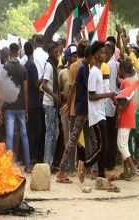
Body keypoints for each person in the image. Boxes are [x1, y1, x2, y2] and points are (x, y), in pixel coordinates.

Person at [78, 41, 116, 182]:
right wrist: (108, 95)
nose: (104, 55)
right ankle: (85, 164)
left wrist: (112, 97)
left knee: (102, 145)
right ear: (94, 55)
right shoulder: (93, 72)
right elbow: (91, 95)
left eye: (104, 52)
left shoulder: (99, 71)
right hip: (96, 114)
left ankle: (100, 174)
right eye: (101, 52)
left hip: (101, 112)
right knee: (102, 147)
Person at [56, 46, 92, 183]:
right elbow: (78, 88)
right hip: (81, 110)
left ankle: (90, 169)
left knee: (90, 140)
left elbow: (72, 88)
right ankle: (64, 170)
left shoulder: (82, 67)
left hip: (80, 109)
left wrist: (67, 104)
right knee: (74, 141)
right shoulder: (82, 68)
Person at [2, 43, 31, 173]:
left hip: (9, 106)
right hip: (20, 107)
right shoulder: (23, 69)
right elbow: (25, 92)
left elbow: (3, 89)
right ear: (18, 52)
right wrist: (26, 109)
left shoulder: (6, 68)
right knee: (24, 135)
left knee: (9, 135)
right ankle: (28, 165)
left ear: (10, 52)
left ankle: (10, 165)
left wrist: (1, 107)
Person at [116, 59, 138, 179]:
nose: (118, 71)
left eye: (119, 69)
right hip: (128, 116)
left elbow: (125, 100)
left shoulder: (125, 82)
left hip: (125, 117)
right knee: (124, 144)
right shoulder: (128, 81)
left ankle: (133, 169)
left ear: (123, 70)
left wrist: (119, 111)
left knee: (121, 145)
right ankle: (125, 171)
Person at [58, 45, 78, 175]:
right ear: (68, 57)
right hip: (66, 108)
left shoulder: (79, 69)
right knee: (67, 139)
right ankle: (69, 166)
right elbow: (58, 91)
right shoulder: (62, 73)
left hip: (76, 109)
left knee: (75, 139)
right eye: (73, 56)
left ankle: (74, 165)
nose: (75, 57)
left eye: (76, 55)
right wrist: (63, 96)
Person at [41, 43, 61, 168]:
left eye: (58, 52)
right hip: (49, 104)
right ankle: (47, 162)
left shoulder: (53, 65)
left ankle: (50, 161)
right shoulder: (49, 66)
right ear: (49, 53)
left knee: (55, 132)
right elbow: (43, 85)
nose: (57, 54)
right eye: (55, 52)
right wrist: (54, 96)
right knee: (50, 133)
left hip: (53, 104)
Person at [24, 41, 44, 164]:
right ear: (33, 49)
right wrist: (44, 77)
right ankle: (33, 156)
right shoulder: (31, 66)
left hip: (30, 102)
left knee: (31, 130)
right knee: (36, 130)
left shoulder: (26, 65)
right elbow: (37, 84)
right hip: (34, 102)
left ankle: (31, 156)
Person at [104, 42, 119, 171]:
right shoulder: (113, 63)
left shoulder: (108, 65)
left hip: (108, 103)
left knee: (108, 135)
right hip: (111, 102)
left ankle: (108, 162)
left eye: (105, 52)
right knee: (110, 135)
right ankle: (111, 161)